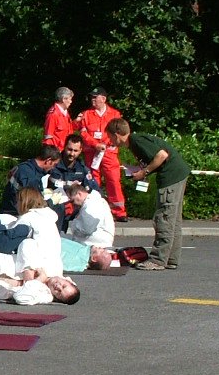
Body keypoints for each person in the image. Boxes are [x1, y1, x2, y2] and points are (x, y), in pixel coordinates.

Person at [106, 117, 190, 271]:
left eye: (110, 136)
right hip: (177, 175)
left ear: (117, 134)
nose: (110, 140)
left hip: (170, 178)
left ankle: (158, 260)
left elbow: (162, 155)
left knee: (164, 218)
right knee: (173, 220)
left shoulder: (136, 141)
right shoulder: (136, 142)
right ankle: (171, 258)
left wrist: (144, 171)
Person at [0, 246, 81, 307]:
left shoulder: (43, 295)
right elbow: (28, 243)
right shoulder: (52, 266)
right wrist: (28, 269)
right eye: (63, 285)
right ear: (68, 280)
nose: (58, 286)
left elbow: (21, 298)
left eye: (58, 292)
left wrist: (36, 281)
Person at [76, 87, 128, 221]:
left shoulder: (115, 114)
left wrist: (104, 144)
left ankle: (119, 212)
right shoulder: (86, 114)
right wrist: (95, 144)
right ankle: (94, 210)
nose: (92, 100)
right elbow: (83, 133)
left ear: (103, 99)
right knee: (93, 181)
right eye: (91, 97)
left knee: (113, 181)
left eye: (95, 97)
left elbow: (118, 131)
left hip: (109, 153)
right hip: (92, 153)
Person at [1, 144, 61, 216]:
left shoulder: (23, 166)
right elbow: (35, 207)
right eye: (54, 164)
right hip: (15, 216)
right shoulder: (32, 178)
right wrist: (52, 202)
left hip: (5, 210)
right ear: (48, 161)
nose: (53, 168)